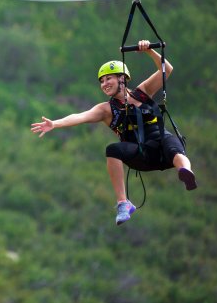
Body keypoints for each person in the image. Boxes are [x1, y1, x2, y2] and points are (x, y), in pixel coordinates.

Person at [31, 40, 197, 225]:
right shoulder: (106, 109)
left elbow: (167, 68)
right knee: (113, 149)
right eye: (101, 81)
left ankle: (185, 172)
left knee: (173, 145)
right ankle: (123, 203)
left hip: (163, 147)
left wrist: (150, 50)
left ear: (122, 78)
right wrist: (54, 124)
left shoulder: (143, 92)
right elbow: (79, 116)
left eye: (108, 78)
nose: (104, 83)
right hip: (142, 155)